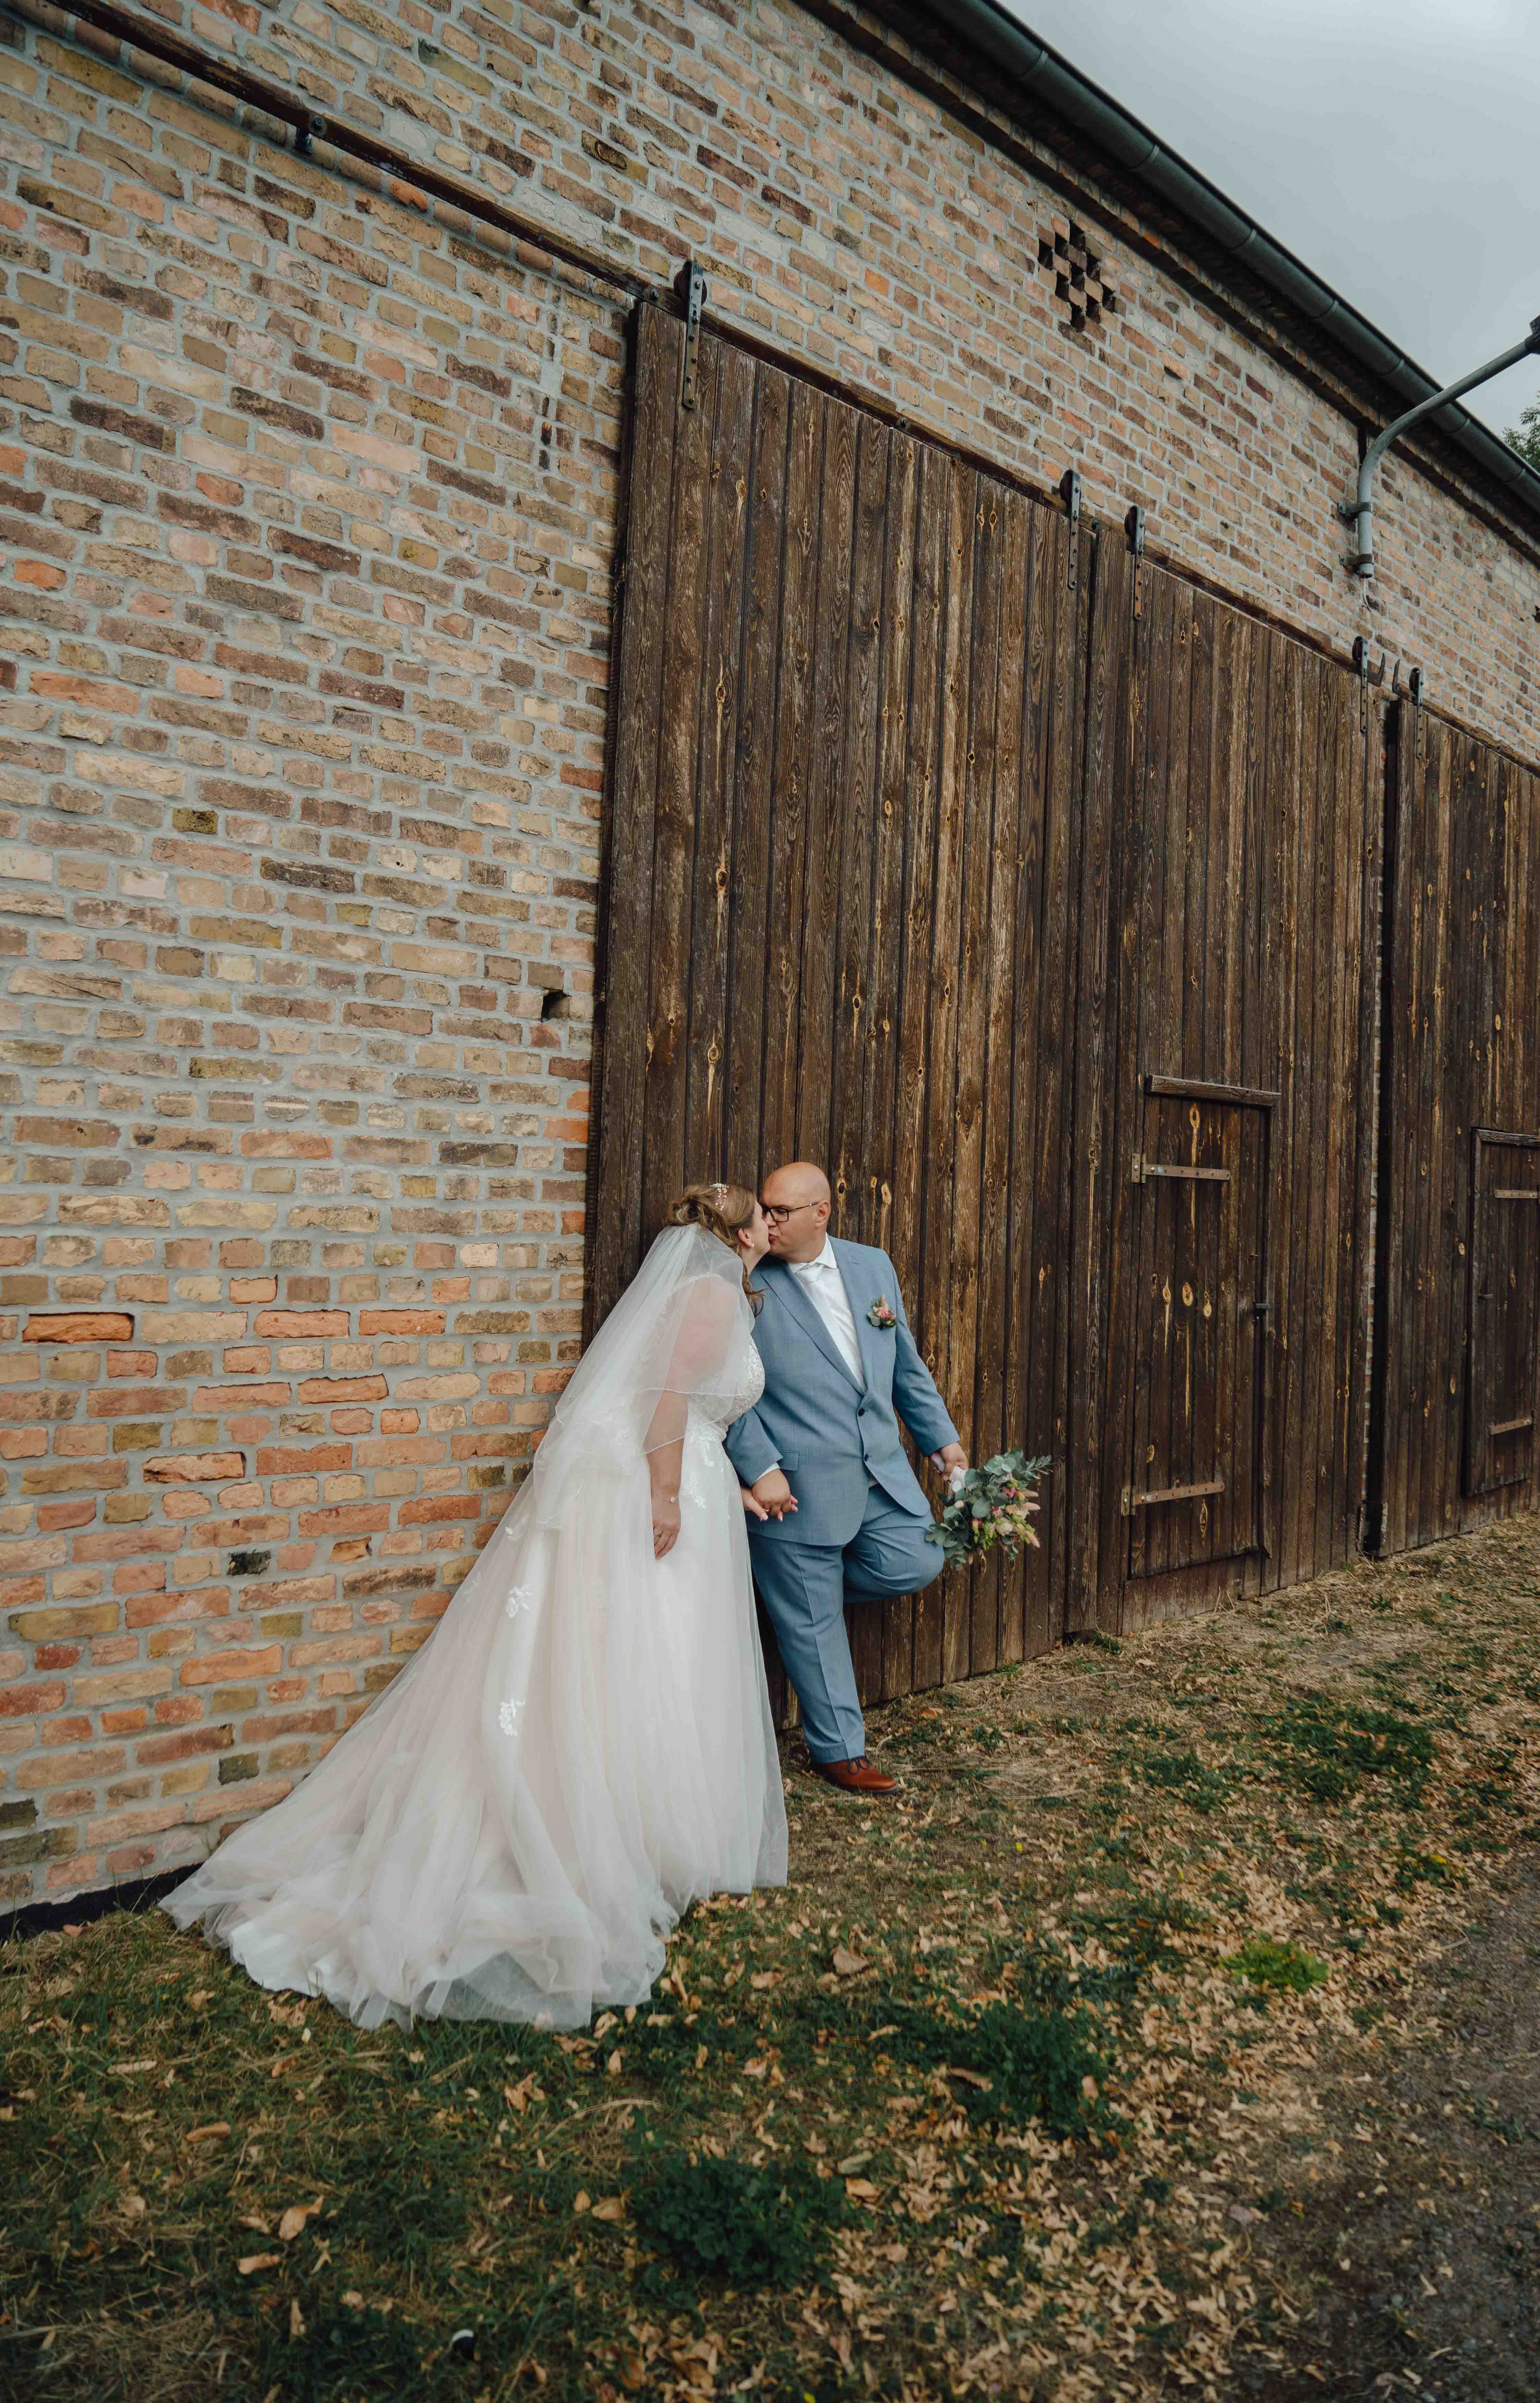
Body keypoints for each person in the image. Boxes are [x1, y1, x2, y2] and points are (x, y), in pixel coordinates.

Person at [161, 1184, 786, 2031]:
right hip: (672, 1485)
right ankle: (625, 1836)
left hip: (702, 1482)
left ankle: (650, 1832)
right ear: (744, 1232)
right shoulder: (712, 1292)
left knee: (660, 1654)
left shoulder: (699, 1290)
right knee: (656, 1652)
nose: (772, 1230)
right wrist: (670, 1495)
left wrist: (729, 1488)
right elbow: (668, 1397)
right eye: (766, 1220)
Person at [724, 1161, 967, 1795]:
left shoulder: (871, 1265)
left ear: (821, 1213)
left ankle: (796, 1598)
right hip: (796, 1481)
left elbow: (904, 1364)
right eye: (765, 1210)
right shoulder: (743, 1278)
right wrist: (761, 1466)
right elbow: (725, 1388)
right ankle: (841, 1752)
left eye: (781, 1212)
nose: (767, 1222)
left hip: (879, 1471)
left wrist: (944, 1445)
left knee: (918, 1559)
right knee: (814, 1619)